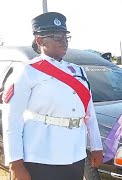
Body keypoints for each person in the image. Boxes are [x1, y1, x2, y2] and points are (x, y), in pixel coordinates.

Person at [1, 12, 103, 180]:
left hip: (75, 152)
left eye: (65, 36)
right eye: (56, 36)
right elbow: (12, 118)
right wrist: (15, 163)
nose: (63, 40)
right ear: (40, 40)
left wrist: (96, 146)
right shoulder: (27, 71)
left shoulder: (78, 71)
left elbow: (89, 113)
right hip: (41, 154)